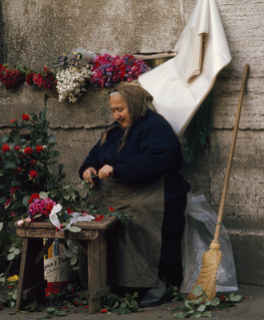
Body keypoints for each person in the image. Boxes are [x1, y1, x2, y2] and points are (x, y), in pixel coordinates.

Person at [79, 82, 191, 307]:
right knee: (90, 219)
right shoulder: (114, 130)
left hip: (156, 191)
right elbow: (95, 154)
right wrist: (88, 169)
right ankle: (108, 281)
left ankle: (154, 284)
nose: (116, 115)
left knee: (131, 219)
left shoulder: (156, 128)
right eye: (113, 110)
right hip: (121, 191)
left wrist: (117, 170)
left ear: (135, 104)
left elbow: (155, 162)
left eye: (120, 109)